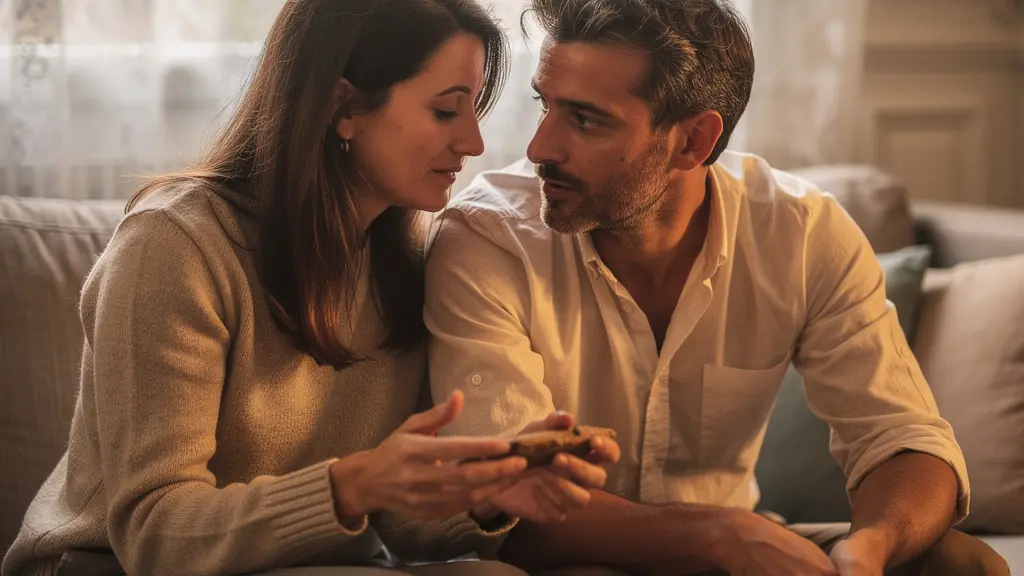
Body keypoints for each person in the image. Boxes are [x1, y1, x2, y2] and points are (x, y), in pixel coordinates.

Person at [1, 1, 621, 575]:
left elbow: (388, 522)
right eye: (444, 110)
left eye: (473, 112)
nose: (474, 143)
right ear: (342, 107)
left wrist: (482, 499)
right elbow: (154, 532)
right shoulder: (175, 246)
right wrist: (349, 486)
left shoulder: (408, 253)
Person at [424, 0, 1009, 574]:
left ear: (695, 141)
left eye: (584, 119)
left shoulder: (801, 233)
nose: (539, 148)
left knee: (961, 562)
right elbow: (507, 504)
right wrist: (720, 536)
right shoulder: (489, 237)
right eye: (544, 105)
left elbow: (902, 437)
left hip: (736, 547)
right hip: (578, 551)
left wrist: (867, 555)